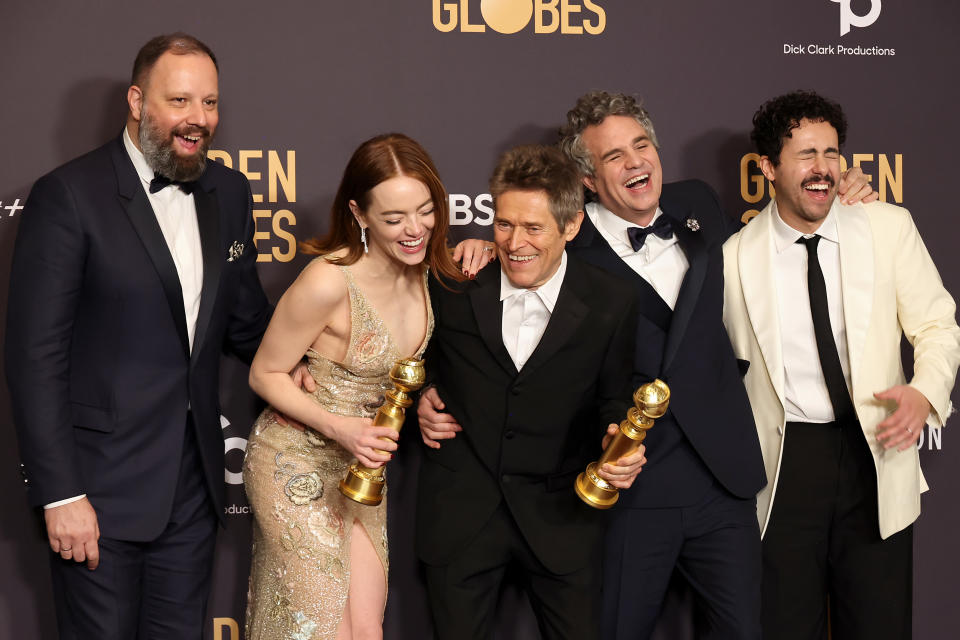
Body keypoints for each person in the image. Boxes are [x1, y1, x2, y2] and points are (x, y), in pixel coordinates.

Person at [450, 90, 875, 639]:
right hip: (632, 487)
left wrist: (845, 195)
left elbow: (787, 223)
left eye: (641, 145)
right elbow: (517, 272)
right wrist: (488, 247)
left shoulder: (696, 203)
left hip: (724, 480)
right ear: (586, 179)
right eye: (613, 157)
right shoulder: (562, 251)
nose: (635, 163)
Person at [5, 33, 272, 638]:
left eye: (209, 104)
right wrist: (60, 493)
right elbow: (34, 358)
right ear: (136, 100)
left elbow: (246, 322)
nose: (197, 119)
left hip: (193, 492)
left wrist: (321, 368)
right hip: (96, 492)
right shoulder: (68, 196)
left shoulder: (228, 192)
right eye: (179, 101)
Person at [722, 90, 960, 639]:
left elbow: (936, 325)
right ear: (768, 169)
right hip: (782, 471)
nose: (823, 168)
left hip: (875, 452)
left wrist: (924, 392)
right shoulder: (733, 259)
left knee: (879, 625)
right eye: (805, 154)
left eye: (832, 153)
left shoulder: (886, 226)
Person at [416, 144, 646, 640]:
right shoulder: (453, 283)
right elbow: (411, 360)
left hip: (563, 517)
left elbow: (613, 394)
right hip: (462, 515)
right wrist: (421, 399)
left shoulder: (613, 300)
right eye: (503, 224)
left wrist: (617, 441)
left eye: (533, 228)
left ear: (571, 226)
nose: (514, 242)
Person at [242, 133, 462, 639]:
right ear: (360, 215)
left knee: (366, 630)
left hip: (362, 469)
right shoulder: (329, 281)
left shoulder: (429, 269)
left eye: (426, 210)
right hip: (294, 459)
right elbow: (265, 372)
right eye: (393, 219)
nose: (415, 230)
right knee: (324, 630)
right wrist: (340, 427)